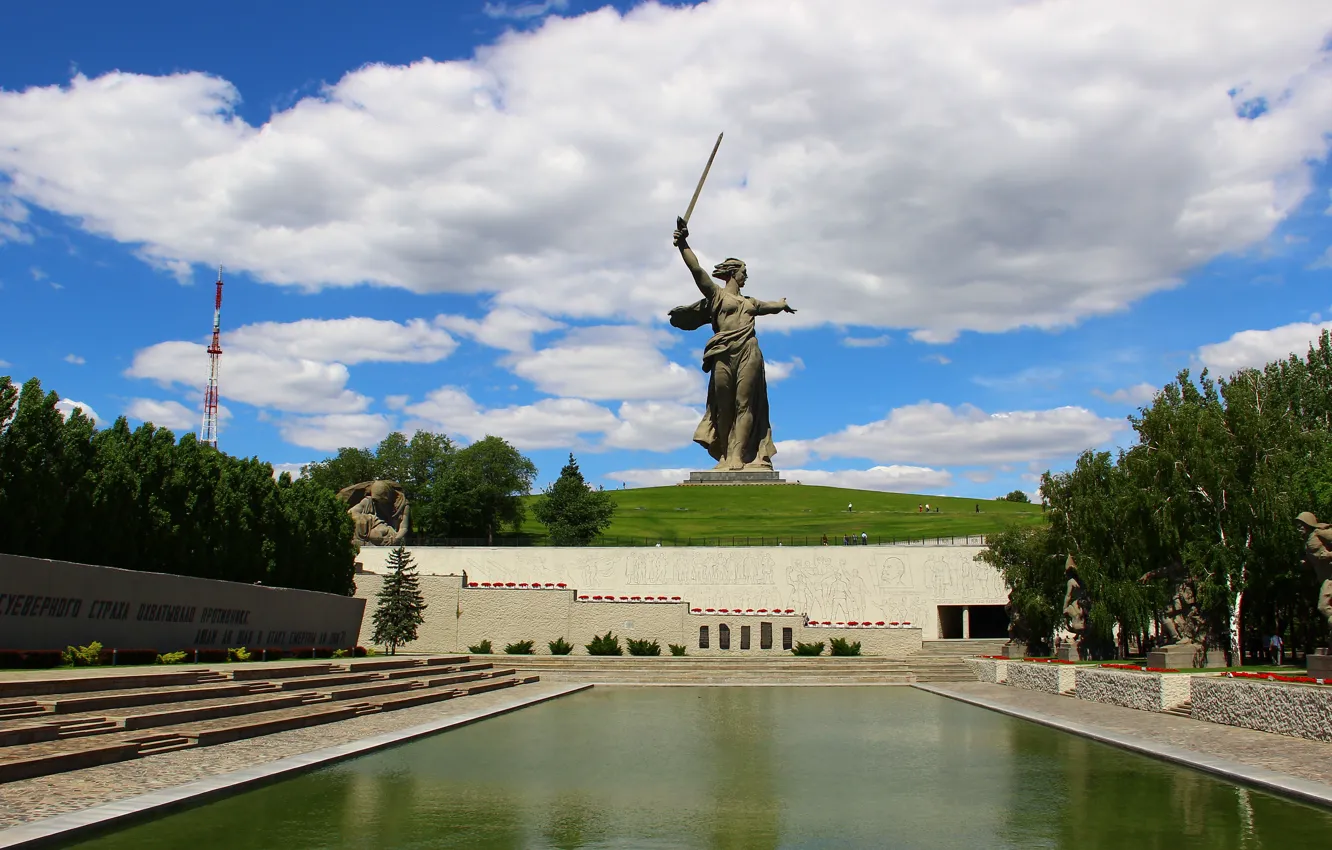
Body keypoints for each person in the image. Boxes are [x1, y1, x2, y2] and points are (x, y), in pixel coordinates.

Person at [670, 220, 794, 470]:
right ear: (732, 272)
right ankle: (725, 455)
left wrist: (781, 304)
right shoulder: (716, 295)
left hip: (748, 350)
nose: (746, 275)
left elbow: (772, 306)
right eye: (743, 271)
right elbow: (697, 270)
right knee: (723, 405)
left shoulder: (751, 303)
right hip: (723, 352)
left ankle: (738, 455)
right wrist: (683, 243)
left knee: (744, 403)